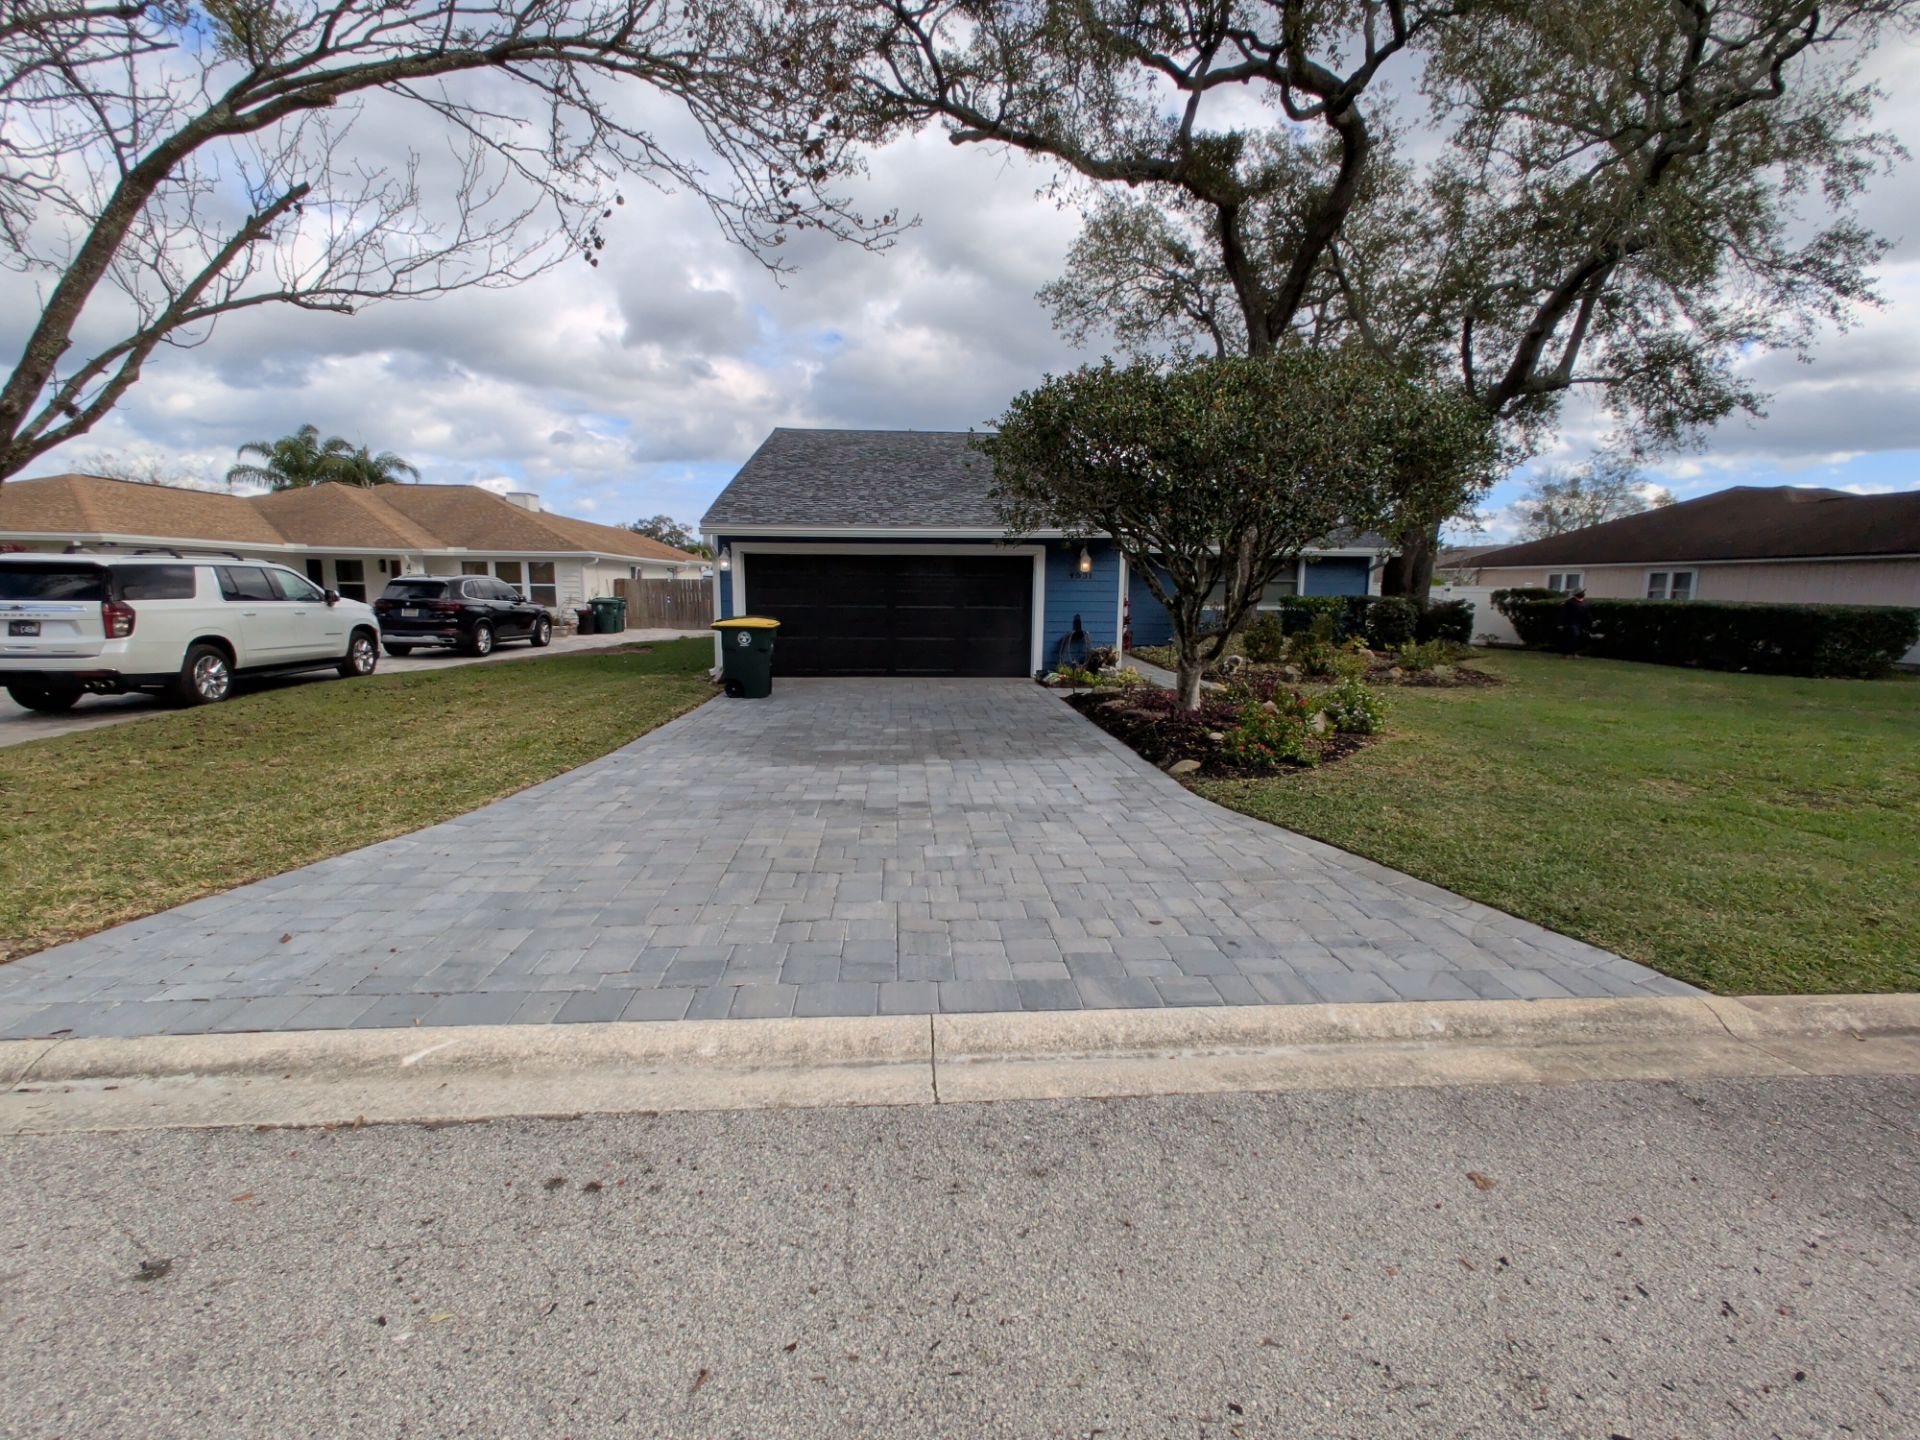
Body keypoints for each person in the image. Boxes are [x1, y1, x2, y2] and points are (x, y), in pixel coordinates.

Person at [1560, 588, 1590, 657]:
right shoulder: (1570, 602)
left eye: (1583, 592)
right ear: (1577, 594)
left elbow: (1587, 613)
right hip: (1572, 623)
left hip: (1581, 623)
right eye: (1581, 593)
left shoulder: (1585, 602)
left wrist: (1590, 621)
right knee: (1574, 636)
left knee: (1579, 637)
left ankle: (1574, 652)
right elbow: (1564, 613)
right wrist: (1561, 623)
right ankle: (1567, 653)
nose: (1583, 594)